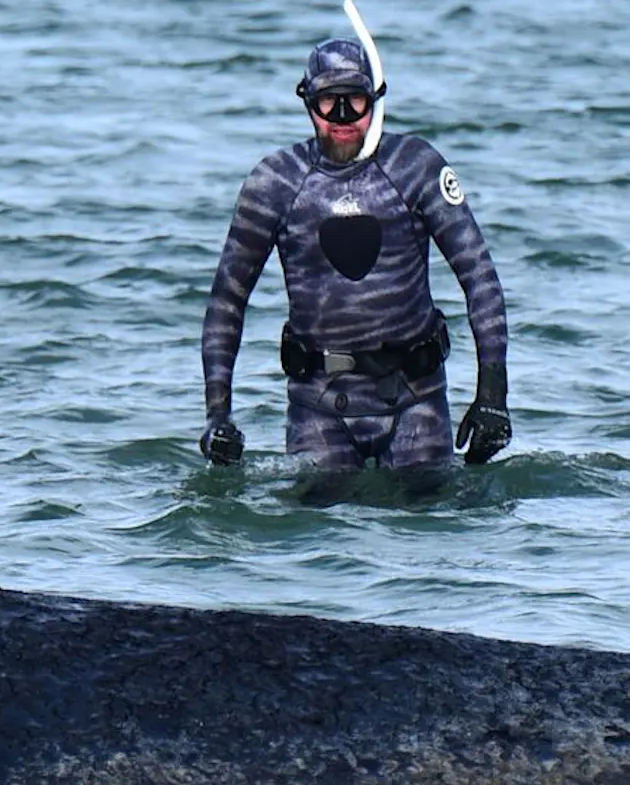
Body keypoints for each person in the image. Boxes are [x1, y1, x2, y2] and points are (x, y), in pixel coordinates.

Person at [200, 34, 510, 471]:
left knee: (425, 522)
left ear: (375, 100)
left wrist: (493, 396)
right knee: (316, 529)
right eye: (329, 103)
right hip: (318, 406)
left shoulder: (416, 167)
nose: (343, 117)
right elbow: (228, 301)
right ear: (308, 102)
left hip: (415, 401)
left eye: (356, 102)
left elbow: (479, 277)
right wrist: (218, 417)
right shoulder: (275, 183)